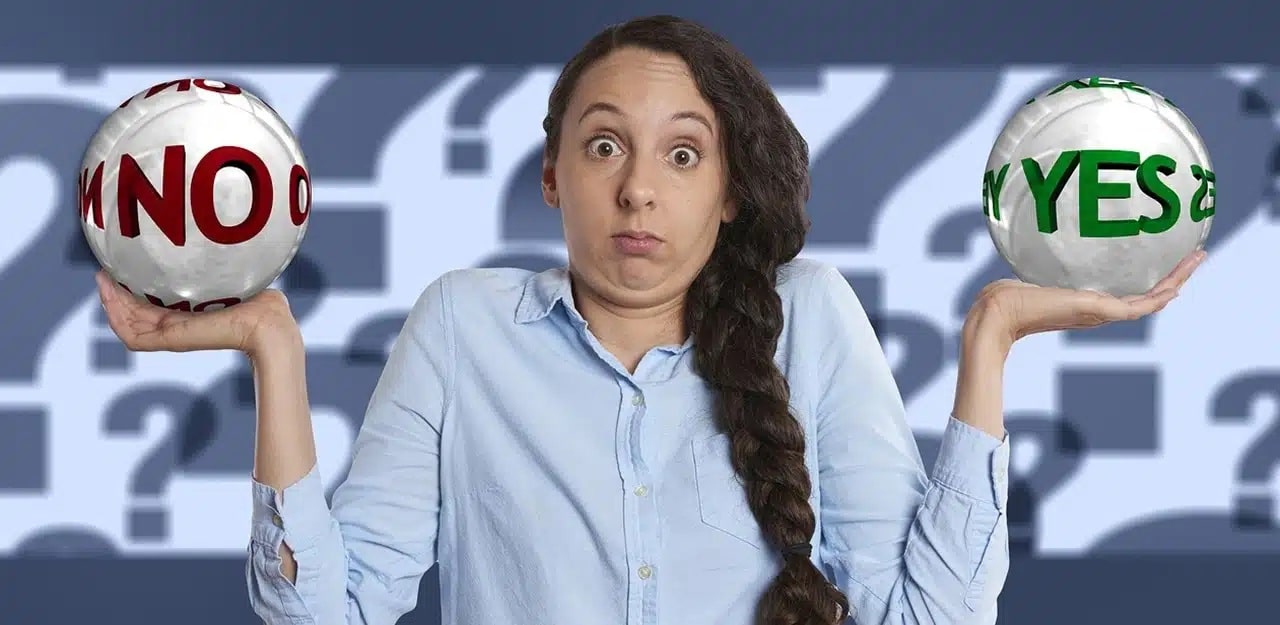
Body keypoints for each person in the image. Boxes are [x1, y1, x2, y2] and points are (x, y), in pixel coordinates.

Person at [95, 14, 1204, 625]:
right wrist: (271, 351)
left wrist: (990, 339)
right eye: (602, 145)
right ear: (549, 178)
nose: (637, 190)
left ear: (727, 190)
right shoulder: (460, 328)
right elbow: (323, 617)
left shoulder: (808, 316)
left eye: (683, 153)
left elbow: (928, 622)